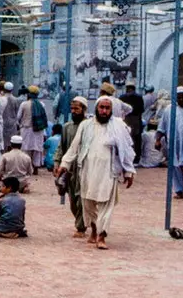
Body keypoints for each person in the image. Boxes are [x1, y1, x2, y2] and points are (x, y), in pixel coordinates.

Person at [60, 95, 135, 249]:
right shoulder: (86, 125)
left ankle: (102, 236)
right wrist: (64, 164)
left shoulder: (119, 127)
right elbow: (74, 147)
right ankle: (94, 230)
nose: (104, 111)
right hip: (87, 171)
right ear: (96, 108)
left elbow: (126, 151)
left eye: (107, 108)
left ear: (111, 110)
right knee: (88, 203)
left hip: (108, 172)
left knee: (106, 205)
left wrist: (128, 172)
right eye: (102, 107)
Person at [53, 96, 89, 238]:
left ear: (84, 110)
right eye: (72, 109)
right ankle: (81, 222)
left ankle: (81, 227)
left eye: (77, 109)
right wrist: (57, 163)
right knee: (73, 200)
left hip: (85, 168)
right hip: (70, 169)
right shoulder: (67, 127)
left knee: (82, 198)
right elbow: (61, 147)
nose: (74, 111)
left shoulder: (89, 127)